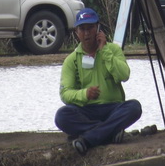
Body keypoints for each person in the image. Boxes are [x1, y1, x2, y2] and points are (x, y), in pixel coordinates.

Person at [54, 8, 142, 156]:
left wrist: (104, 51)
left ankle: (88, 138)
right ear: (77, 32)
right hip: (87, 111)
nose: (87, 33)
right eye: (82, 29)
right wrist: (85, 94)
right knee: (62, 115)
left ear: (98, 29)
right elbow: (65, 93)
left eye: (90, 28)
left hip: (113, 109)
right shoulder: (71, 60)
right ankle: (109, 132)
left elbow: (124, 75)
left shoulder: (113, 50)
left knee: (134, 107)